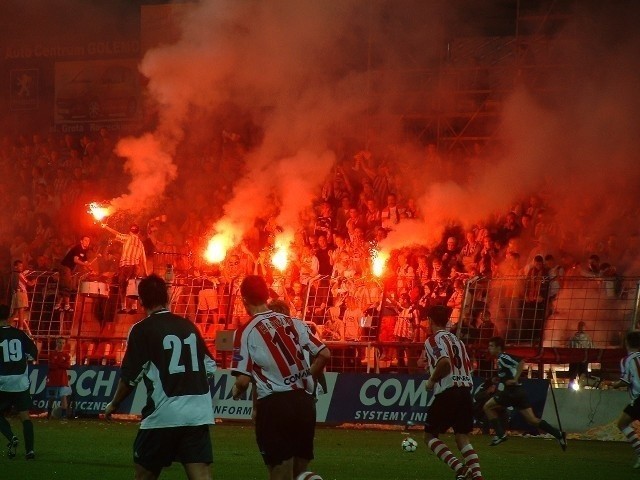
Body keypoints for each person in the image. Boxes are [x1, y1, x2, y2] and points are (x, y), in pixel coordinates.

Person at [104, 274, 217, 480]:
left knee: (144, 472)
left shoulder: (141, 330)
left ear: (141, 301)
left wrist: (114, 403)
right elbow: (210, 365)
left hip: (163, 413)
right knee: (200, 473)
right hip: (198, 412)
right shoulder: (188, 326)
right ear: (167, 297)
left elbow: (130, 377)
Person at [231, 275, 330, 480]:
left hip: (275, 406)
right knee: (300, 473)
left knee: (280, 473)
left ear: (243, 300)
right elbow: (324, 354)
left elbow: (242, 381)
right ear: (267, 295)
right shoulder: (293, 322)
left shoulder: (245, 332)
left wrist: (236, 392)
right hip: (304, 403)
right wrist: (305, 376)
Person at [423, 305, 484, 480]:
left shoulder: (433, 340)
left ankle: (461, 470)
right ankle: (478, 477)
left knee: (430, 436)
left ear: (430, 321)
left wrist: (432, 380)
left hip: (448, 391)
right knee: (461, 436)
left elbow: (444, 363)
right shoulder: (458, 341)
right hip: (465, 390)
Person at [483, 336, 567, 450]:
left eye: (491, 346)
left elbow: (521, 362)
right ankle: (559, 434)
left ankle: (500, 434)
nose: (489, 348)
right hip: (519, 393)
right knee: (532, 420)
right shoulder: (500, 359)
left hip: (510, 392)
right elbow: (509, 371)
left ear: (498, 348)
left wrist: (515, 379)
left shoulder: (503, 357)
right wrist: (500, 379)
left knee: (487, 407)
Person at [0, 303, 38, 460]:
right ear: (9, 316)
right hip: (20, 381)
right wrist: (26, 359)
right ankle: (30, 451)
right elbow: (33, 352)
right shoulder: (20, 334)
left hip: (2, 381)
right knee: (25, 417)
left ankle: (11, 437)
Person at [101, 223, 148, 314]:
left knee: (123, 286)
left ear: (130, 231)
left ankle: (123, 307)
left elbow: (116, 233)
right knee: (133, 286)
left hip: (125, 266)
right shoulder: (141, 244)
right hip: (135, 267)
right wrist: (146, 273)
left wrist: (105, 226)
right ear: (138, 233)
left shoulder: (127, 238)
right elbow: (144, 260)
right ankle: (134, 307)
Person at [611, 330, 640, 469]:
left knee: (622, 424)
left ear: (626, 343)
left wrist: (614, 384)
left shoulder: (627, 360)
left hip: (639, 399)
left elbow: (625, 381)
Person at [55, 235, 93, 311]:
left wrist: (91, 269)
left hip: (69, 269)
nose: (87, 242)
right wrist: (85, 264)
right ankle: (66, 306)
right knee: (67, 286)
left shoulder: (84, 250)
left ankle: (57, 305)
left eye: (88, 241)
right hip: (65, 267)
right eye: (85, 240)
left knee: (64, 285)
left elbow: (85, 261)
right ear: (81, 241)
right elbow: (75, 260)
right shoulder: (78, 248)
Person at [46, 337, 72, 420]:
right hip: (53, 379)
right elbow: (51, 366)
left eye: (63, 343)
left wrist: (57, 364)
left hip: (62, 379)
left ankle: (64, 415)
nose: (61, 344)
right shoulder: (52, 354)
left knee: (63, 397)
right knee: (52, 398)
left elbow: (67, 366)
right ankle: (49, 414)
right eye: (60, 342)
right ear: (56, 343)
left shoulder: (66, 355)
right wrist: (61, 364)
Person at [9, 260, 35, 336]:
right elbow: (29, 283)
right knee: (21, 311)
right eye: (20, 266)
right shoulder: (19, 274)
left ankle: (6, 325)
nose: (21, 268)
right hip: (21, 294)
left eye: (22, 266)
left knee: (15, 312)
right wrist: (34, 281)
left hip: (16, 294)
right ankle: (20, 328)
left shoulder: (14, 274)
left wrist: (25, 273)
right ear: (15, 266)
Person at [567, 321, 593, 389]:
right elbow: (592, 349)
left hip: (574, 360)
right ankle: (582, 389)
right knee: (582, 376)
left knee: (572, 376)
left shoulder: (573, 339)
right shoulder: (588, 339)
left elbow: (569, 349)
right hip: (584, 360)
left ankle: (570, 389)